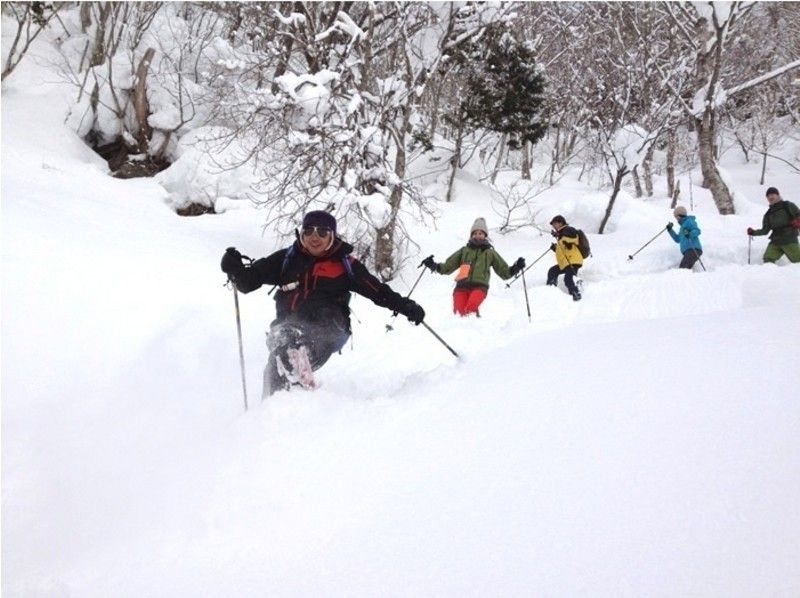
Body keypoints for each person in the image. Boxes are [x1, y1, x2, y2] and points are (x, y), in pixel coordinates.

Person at [221, 210, 425, 396]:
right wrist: (235, 269)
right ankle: (273, 409)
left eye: (322, 232)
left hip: (330, 329)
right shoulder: (286, 259)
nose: (314, 237)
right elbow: (248, 282)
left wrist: (406, 307)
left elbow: (378, 292)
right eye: (309, 231)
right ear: (302, 234)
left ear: (332, 235)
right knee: (276, 362)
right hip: (287, 329)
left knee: (303, 325)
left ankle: (299, 357)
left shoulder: (346, 265)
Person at [421, 217, 525, 317]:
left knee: (471, 308)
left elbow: (504, 271)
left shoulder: (490, 253)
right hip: (461, 286)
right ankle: (461, 333)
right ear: (471, 235)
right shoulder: (464, 251)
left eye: (480, 233)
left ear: (485, 235)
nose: (477, 236)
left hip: (479, 287)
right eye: (474, 233)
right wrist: (434, 265)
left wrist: (516, 268)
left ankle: (475, 329)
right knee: (458, 313)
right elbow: (448, 266)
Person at [747, 187, 800, 264]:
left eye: (772, 194)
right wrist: (753, 232)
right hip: (775, 241)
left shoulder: (788, 205)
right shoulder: (768, 214)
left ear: (778, 195)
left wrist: (798, 221)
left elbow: (798, 214)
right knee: (768, 259)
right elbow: (765, 230)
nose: (770, 197)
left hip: (789, 239)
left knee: (798, 262)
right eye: (768, 196)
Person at [546, 215, 583, 301]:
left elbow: (574, 235)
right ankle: (550, 289)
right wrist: (555, 248)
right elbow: (565, 249)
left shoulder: (567, 229)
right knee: (552, 271)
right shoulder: (561, 235)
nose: (553, 226)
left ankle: (576, 293)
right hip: (566, 262)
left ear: (560, 223)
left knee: (568, 278)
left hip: (573, 260)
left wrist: (560, 234)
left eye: (554, 224)